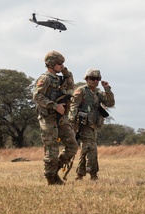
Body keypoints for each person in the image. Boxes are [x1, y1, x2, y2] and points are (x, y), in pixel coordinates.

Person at [32, 50, 78, 185]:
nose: (61, 65)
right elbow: (37, 96)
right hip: (48, 117)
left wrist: (66, 72)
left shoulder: (60, 78)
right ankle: (51, 179)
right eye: (59, 63)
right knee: (51, 148)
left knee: (72, 146)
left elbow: (71, 87)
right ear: (51, 64)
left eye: (63, 63)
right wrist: (54, 105)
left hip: (61, 117)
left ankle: (54, 170)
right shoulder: (45, 78)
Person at [69, 68, 115, 180]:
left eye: (97, 79)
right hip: (83, 125)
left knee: (86, 148)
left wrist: (107, 89)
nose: (95, 81)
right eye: (92, 78)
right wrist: (72, 124)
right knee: (91, 148)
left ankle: (80, 174)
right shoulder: (81, 91)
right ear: (86, 79)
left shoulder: (98, 93)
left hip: (93, 125)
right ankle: (93, 174)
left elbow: (110, 103)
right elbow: (73, 107)